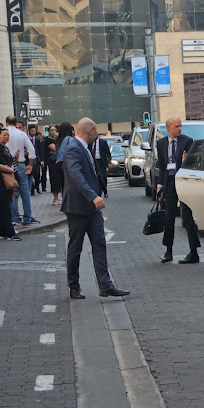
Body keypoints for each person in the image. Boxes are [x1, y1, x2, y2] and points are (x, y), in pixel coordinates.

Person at [62, 118, 130, 299]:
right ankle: (74, 286)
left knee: (99, 244)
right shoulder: (73, 148)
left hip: (93, 209)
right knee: (75, 247)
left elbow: (91, 173)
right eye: (96, 131)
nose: (97, 134)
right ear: (90, 131)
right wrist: (93, 196)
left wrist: (101, 190)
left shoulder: (85, 148)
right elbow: (75, 175)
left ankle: (105, 285)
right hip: (77, 207)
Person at [157, 117, 201, 264]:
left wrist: (184, 162)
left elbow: (194, 162)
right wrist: (159, 186)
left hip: (183, 182)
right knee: (169, 218)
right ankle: (168, 251)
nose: (179, 129)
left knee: (187, 217)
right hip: (169, 183)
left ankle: (193, 252)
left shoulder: (187, 141)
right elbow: (162, 166)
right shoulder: (161, 143)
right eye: (177, 126)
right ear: (168, 128)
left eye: (180, 126)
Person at [5, 116, 39, 226]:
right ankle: (27, 218)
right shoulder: (21, 134)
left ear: (6, 123)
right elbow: (31, 150)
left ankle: (15, 217)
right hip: (21, 164)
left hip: (8, 166)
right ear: (16, 123)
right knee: (25, 193)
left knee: (13, 193)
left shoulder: (4, 134)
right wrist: (30, 164)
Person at [0, 129, 21, 241]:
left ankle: (2, 231)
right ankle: (9, 232)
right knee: (4, 206)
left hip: (1, 179)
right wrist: (10, 170)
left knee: (1, 206)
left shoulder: (0, 148)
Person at [54, 122, 75, 204]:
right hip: (68, 164)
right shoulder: (70, 139)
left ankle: (65, 202)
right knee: (70, 185)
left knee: (63, 185)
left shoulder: (58, 140)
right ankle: (70, 203)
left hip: (59, 164)